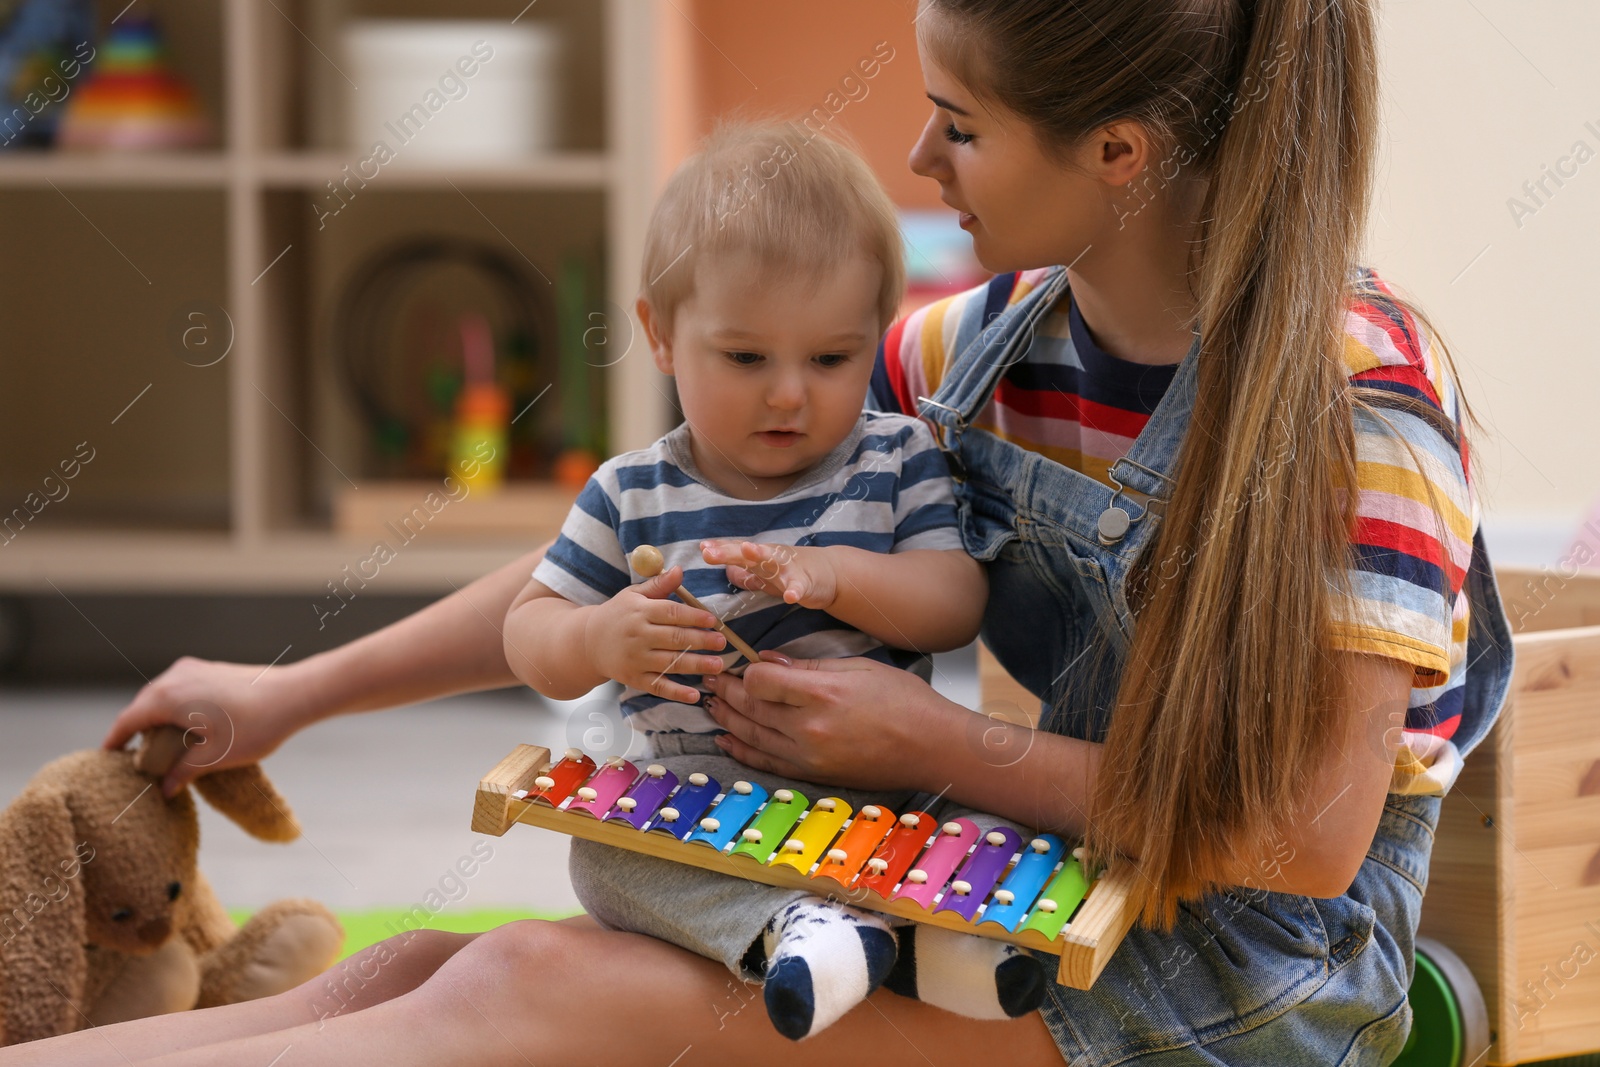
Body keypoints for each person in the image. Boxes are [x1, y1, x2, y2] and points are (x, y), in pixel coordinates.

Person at [24, 0, 1511, 1063]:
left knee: (526, 990)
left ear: (1118, 153)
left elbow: (1300, 845)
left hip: (1233, 987)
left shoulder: (1358, 413)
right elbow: (640, 543)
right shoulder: (975, 351)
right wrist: (287, 693)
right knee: (418, 960)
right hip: (1021, 901)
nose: (918, 162)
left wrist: (929, 747)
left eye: (962, 125)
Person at [503, 119, 1052, 1041]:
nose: (790, 394)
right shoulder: (630, 491)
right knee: (599, 861)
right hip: (698, 816)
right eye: (747, 358)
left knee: (993, 806)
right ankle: (810, 933)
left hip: (885, 800)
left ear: (871, 338)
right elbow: (529, 629)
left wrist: (832, 575)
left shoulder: (897, 459)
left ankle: (916, 939)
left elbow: (954, 603)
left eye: (832, 359)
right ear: (662, 335)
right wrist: (596, 639)